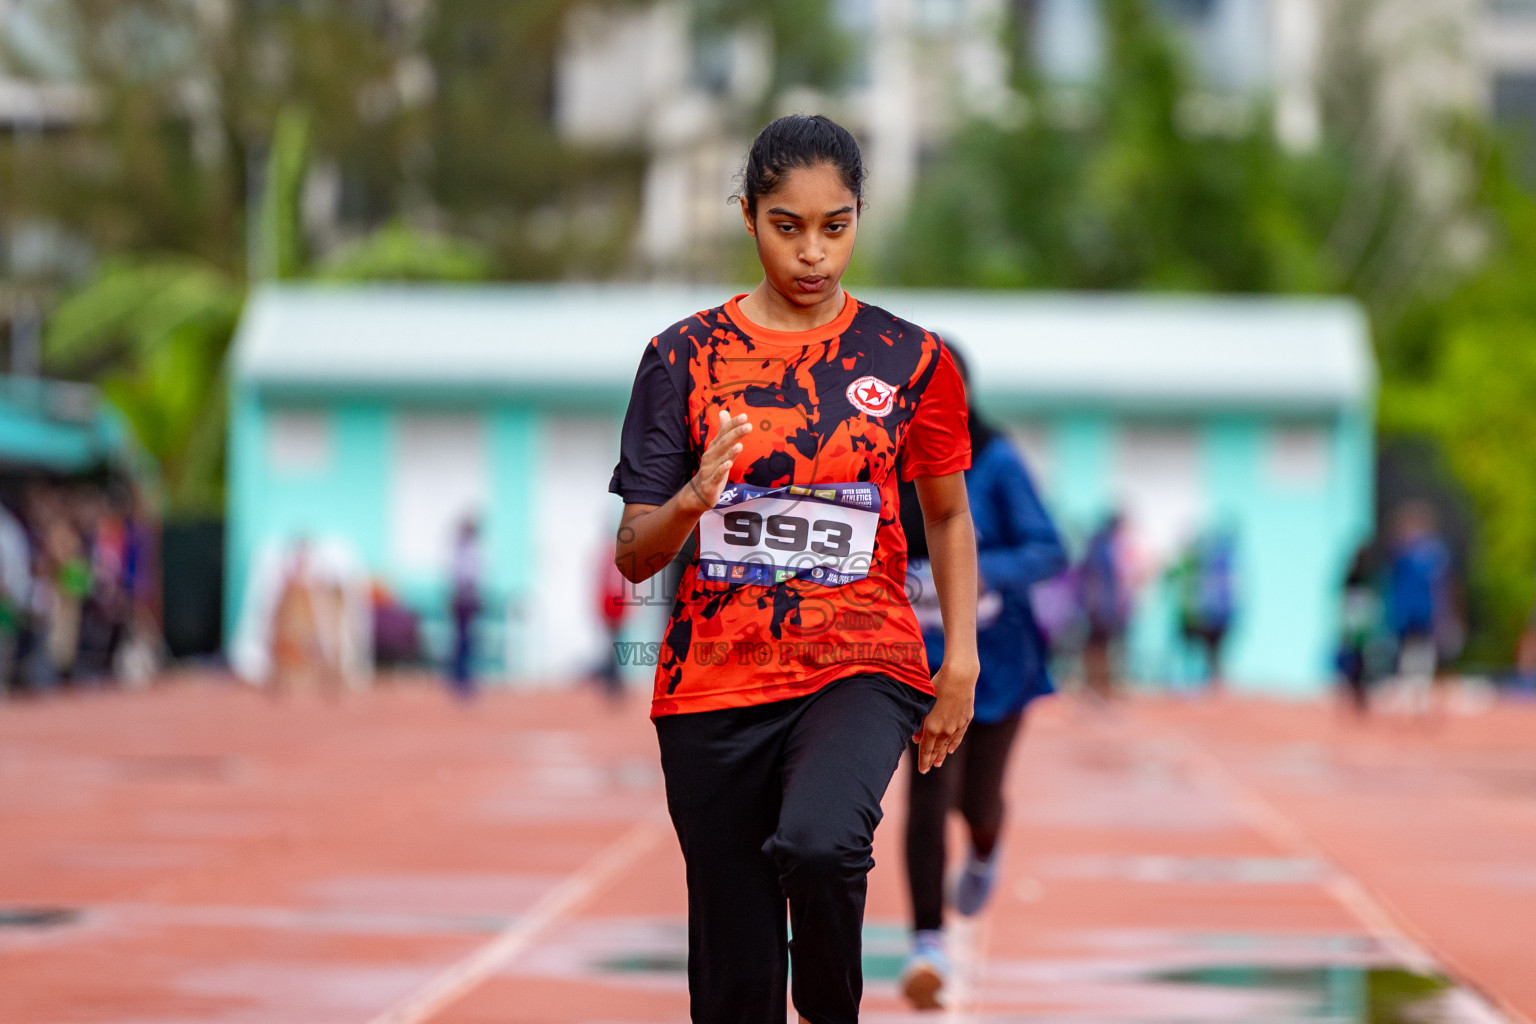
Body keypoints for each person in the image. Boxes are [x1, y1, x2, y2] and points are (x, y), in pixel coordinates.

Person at [609, 114, 978, 1024]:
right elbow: (634, 554)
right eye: (788, 225)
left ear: (858, 218)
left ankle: (829, 1008)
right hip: (713, 688)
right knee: (734, 982)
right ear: (748, 216)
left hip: (861, 662)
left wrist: (960, 658)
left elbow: (947, 511)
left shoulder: (912, 360)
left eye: (836, 225)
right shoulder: (682, 358)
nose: (814, 252)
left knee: (820, 845)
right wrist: (695, 496)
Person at [894, 346, 1066, 1009]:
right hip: (922, 657)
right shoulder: (886, 460)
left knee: (976, 803)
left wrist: (976, 571)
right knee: (930, 796)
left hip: (999, 659)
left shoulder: (995, 460)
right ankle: (927, 943)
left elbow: (1049, 549)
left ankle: (988, 845)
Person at [1386, 501, 1450, 718]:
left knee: (1422, 652)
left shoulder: (1433, 552)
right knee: (1406, 652)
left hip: (1424, 610)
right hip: (1406, 610)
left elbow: (1441, 585)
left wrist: (1443, 613)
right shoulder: (1402, 551)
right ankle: (1407, 693)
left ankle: (1420, 695)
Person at [1169, 527, 1237, 692]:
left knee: (1206, 654)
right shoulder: (1207, 562)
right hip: (1199, 616)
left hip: (1201, 616)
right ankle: (1200, 684)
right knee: (1202, 654)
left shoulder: (1199, 562)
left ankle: (1207, 684)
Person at [1078, 513, 1129, 701]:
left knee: (1100, 645)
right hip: (1100, 606)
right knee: (1098, 645)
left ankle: (1099, 686)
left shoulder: (1101, 545)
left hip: (1101, 605)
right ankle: (1095, 686)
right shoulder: (1104, 547)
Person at [448, 516, 482, 699]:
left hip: (468, 599)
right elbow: (461, 576)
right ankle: (460, 678)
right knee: (462, 641)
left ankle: (464, 678)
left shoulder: (469, 548)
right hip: (463, 599)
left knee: (467, 641)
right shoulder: (462, 549)